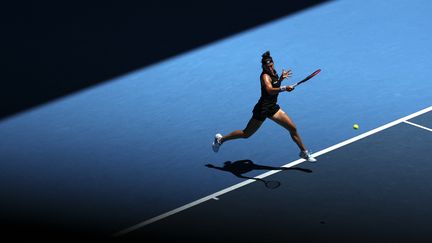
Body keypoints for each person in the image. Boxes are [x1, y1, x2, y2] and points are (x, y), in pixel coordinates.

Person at [212, 51, 317, 162]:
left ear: (273, 63)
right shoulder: (264, 76)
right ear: (263, 67)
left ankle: (304, 152)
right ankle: (220, 139)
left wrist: (281, 79)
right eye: (267, 66)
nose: (270, 68)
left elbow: (275, 84)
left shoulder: (274, 72)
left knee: (292, 128)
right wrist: (284, 88)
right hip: (262, 109)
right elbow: (269, 90)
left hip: (272, 108)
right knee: (246, 134)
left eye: (271, 65)